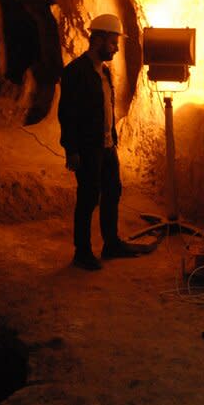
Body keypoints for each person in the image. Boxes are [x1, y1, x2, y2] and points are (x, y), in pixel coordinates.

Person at [58, 13, 141, 270]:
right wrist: (71, 150)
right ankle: (82, 252)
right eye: (114, 42)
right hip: (87, 148)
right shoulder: (75, 72)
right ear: (100, 39)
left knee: (112, 192)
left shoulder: (104, 72)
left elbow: (106, 109)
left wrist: (112, 140)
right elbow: (67, 114)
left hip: (106, 146)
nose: (116, 48)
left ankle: (111, 243)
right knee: (88, 197)